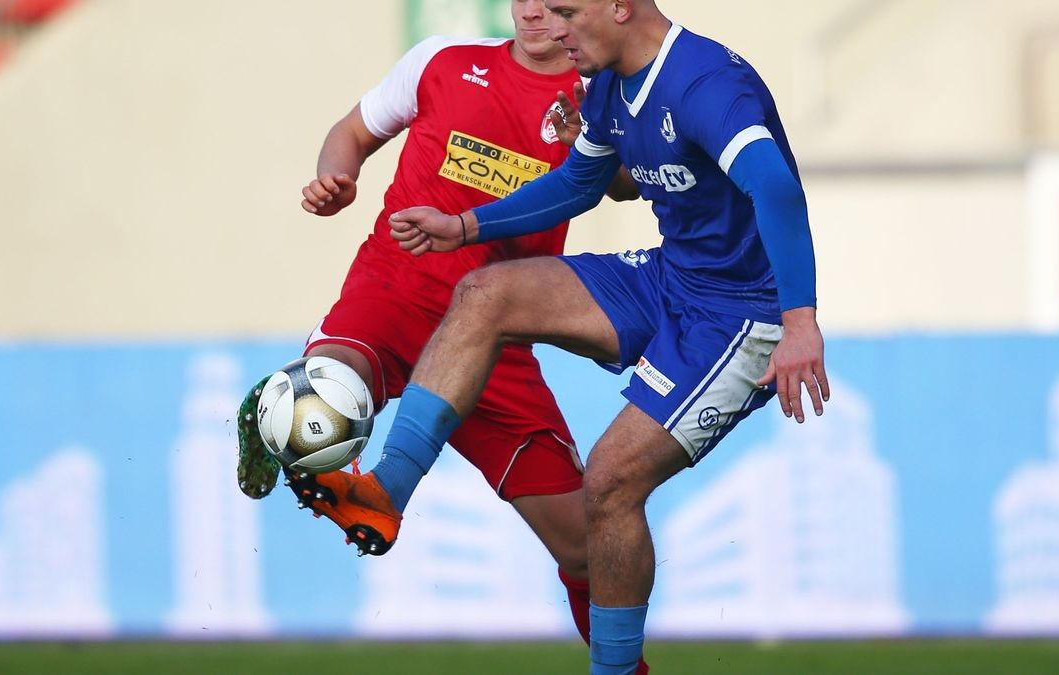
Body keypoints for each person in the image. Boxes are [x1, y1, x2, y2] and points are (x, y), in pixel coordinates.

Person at [312, 1, 831, 672]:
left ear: (618, 8)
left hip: (741, 315)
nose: (549, 26)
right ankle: (385, 493)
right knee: (485, 292)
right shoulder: (610, 86)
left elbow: (778, 190)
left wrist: (800, 323)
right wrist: (464, 227)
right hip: (673, 278)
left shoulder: (704, 84)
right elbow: (578, 185)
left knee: (610, 481)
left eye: (566, 10)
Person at [235, 1, 646, 671]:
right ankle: (288, 411)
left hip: (498, 334)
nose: (536, 11)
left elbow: (629, 185)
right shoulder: (443, 61)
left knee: (590, 550)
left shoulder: (602, 92)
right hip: (393, 296)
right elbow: (353, 130)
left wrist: (589, 141)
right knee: (325, 399)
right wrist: (336, 179)